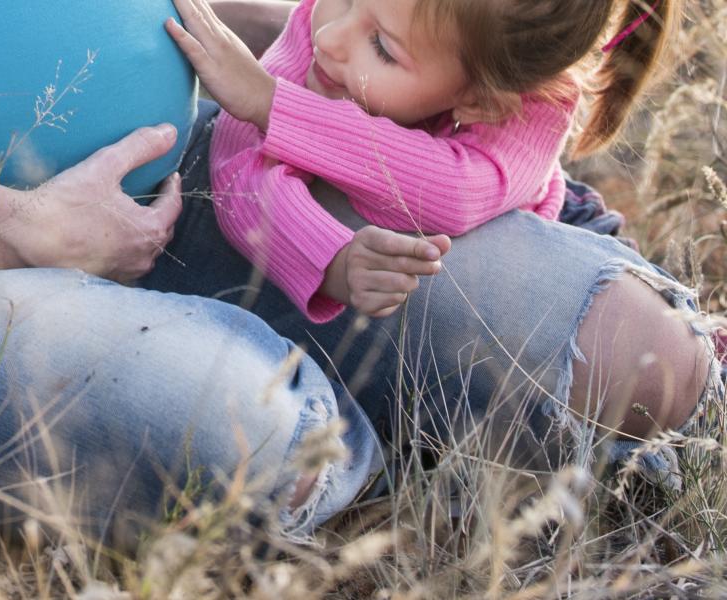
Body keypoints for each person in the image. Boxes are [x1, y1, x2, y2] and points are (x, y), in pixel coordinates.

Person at [0, 0, 721, 546]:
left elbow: (437, 176)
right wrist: (12, 224)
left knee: (639, 359)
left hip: (187, 166)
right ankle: (373, 451)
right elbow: (252, 157)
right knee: (264, 441)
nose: (340, 33)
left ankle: (403, 398)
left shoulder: (482, 88)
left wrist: (287, 67)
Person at [145, 0, 723, 474]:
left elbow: (452, 193)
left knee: (668, 357)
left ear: (480, 101)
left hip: (538, 219)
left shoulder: (533, 100)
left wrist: (277, 107)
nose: (332, 37)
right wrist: (326, 255)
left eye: (381, 47)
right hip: (416, 245)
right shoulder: (330, 28)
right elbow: (235, 166)